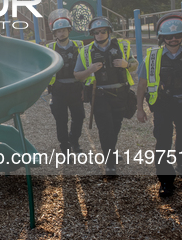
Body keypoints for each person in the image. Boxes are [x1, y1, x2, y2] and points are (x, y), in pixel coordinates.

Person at [136, 12, 182, 198]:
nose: (174, 39)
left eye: (178, 35)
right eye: (169, 36)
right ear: (162, 38)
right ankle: (166, 181)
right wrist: (139, 109)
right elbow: (142, 84)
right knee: (163, 141)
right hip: (163, 105)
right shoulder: (152, 58)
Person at [74, 17, 138, 176]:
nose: (100, 34)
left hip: (120, 93)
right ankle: (110, 164)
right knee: (105, 129)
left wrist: (126, 65)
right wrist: (89, 70)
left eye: (103, 31)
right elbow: (77, 75)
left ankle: (111, 151)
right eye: (97, 32)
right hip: (99, 95)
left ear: (108, 32)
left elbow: (135, 65)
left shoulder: (122, 46)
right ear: (92, 34)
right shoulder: (86, 51)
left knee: (116, 126)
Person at [46, 9, 85, 154]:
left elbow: (86, 67)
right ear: (54, 33)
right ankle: (65, 146)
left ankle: (74, 141)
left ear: (69, 31)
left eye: (64, 30)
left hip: (76, 87)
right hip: (58, 89)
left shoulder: (79, 46)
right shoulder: (50, 49)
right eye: (58, 31)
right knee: (61, 120)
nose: (61, 33)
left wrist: (84, 88)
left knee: (79, 117)